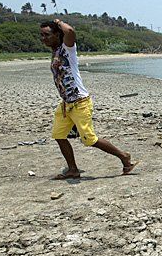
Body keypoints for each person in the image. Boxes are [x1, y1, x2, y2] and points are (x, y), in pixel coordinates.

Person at [40, 19, 138, 179]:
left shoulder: (67, 49)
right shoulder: (55, 51)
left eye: (47, 35)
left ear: (57, 34)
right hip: (66, 104)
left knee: (89, 139)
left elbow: (70, 31)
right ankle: (73, 169)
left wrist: (58, 21)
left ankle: (124, 158)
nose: (43, 38)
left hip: (80, 102)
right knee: (59, 135)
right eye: (41, 35)